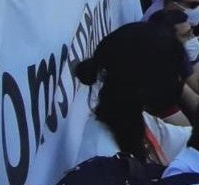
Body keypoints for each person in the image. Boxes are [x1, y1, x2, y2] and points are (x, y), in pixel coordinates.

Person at [75, 22, 192, 166]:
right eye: (173, 75)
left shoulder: (133, 117)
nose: (179, 81)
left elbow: (182, 139)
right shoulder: (103, 159)